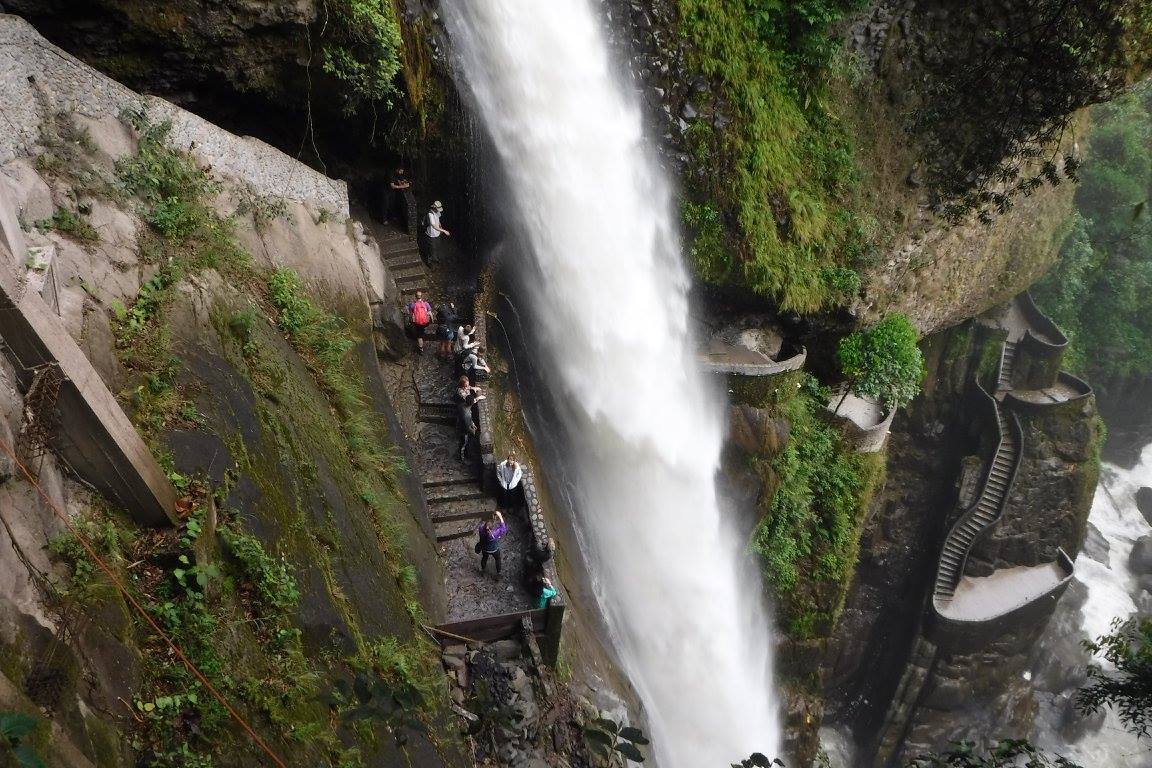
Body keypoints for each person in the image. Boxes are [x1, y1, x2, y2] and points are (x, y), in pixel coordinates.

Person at [454, 376, 484, 460]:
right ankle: (461, 457)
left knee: (464, 441)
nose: (467, 386)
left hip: (462, 422)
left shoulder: (463, 406)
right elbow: (467, 424)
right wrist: (473, 431)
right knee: (464, 442)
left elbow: (469, 393)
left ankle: (463, 453)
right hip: (463, 428)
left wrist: (473, 388)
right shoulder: (461, 394)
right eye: (466, 385)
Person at [476, 511, 507, 577]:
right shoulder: (495, 534)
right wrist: (500, 517)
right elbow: (503, 529)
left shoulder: (481, 528)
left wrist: (493, 520)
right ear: (493, 528)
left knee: (484, 558)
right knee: (498, 559)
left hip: (484, 548)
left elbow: (486, 526)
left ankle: (483, 570)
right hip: (494, 549)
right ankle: (498, 573)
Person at [421, 200, 450, 267]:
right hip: (431, 234)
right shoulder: (430, 214)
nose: (438, 210)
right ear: (434, 208)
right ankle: (429, 261)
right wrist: (444, 231)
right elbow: (434, 226)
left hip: (437, 233)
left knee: (436, 246)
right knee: (431, 248)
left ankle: (435, 258)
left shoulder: (437, 212)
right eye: (437, 209)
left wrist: (440, 226)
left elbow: (438, 220)